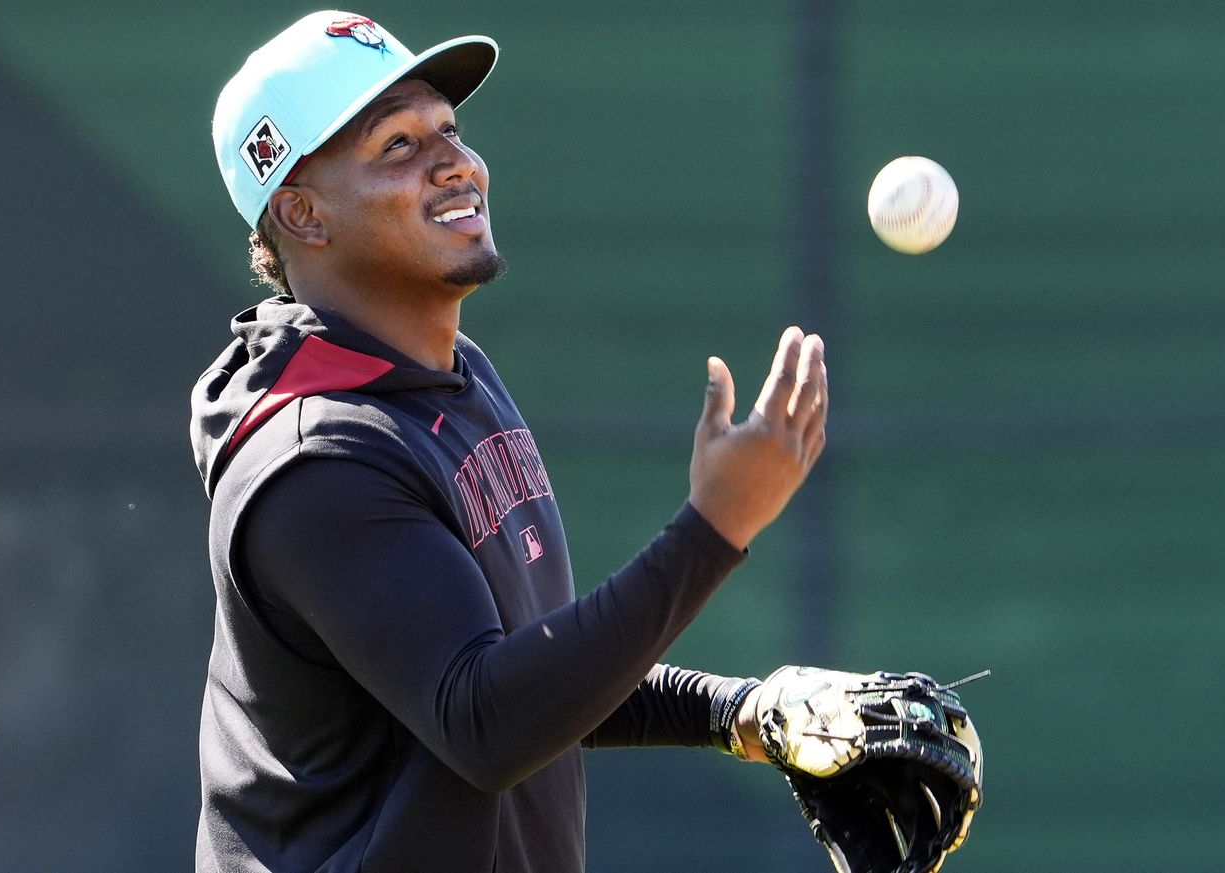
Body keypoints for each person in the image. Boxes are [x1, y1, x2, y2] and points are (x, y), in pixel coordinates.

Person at [192, 11, 826, 873]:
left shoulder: (450, 373)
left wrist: (738, 711)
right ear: (303, 213)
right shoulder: (314, 458)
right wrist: (714, 528)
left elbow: (528, 665)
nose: (455, 162)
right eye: (398, 145)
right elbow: (486, 719)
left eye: (448, 130)